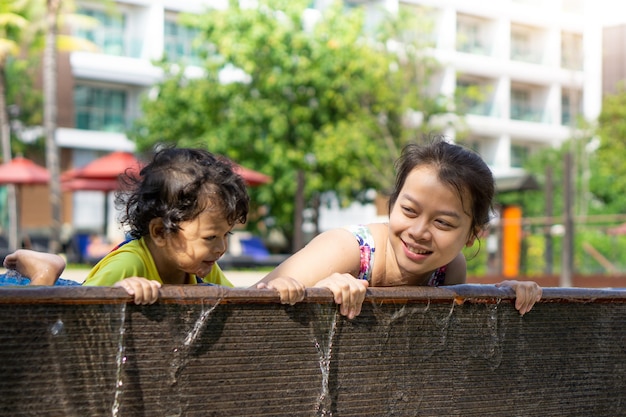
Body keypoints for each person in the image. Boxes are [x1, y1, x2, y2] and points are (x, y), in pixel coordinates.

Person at [257, 138, 542, 318]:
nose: (419, 231)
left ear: (472, 233)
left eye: (442, 222)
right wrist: (313, 293)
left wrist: (503, 296)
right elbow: (247, 306)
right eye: (409, 210)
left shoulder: (449, 268)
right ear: (392, 205)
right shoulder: (347, 249)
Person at [81, 146, 302, 305]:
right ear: (160, 232)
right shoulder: (127, 264)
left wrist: (273, 293)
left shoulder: (201, 268)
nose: (221, 247)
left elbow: (236, 309)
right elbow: (74, 315)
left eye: (227, 234)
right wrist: (115, 295)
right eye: (210, 237)